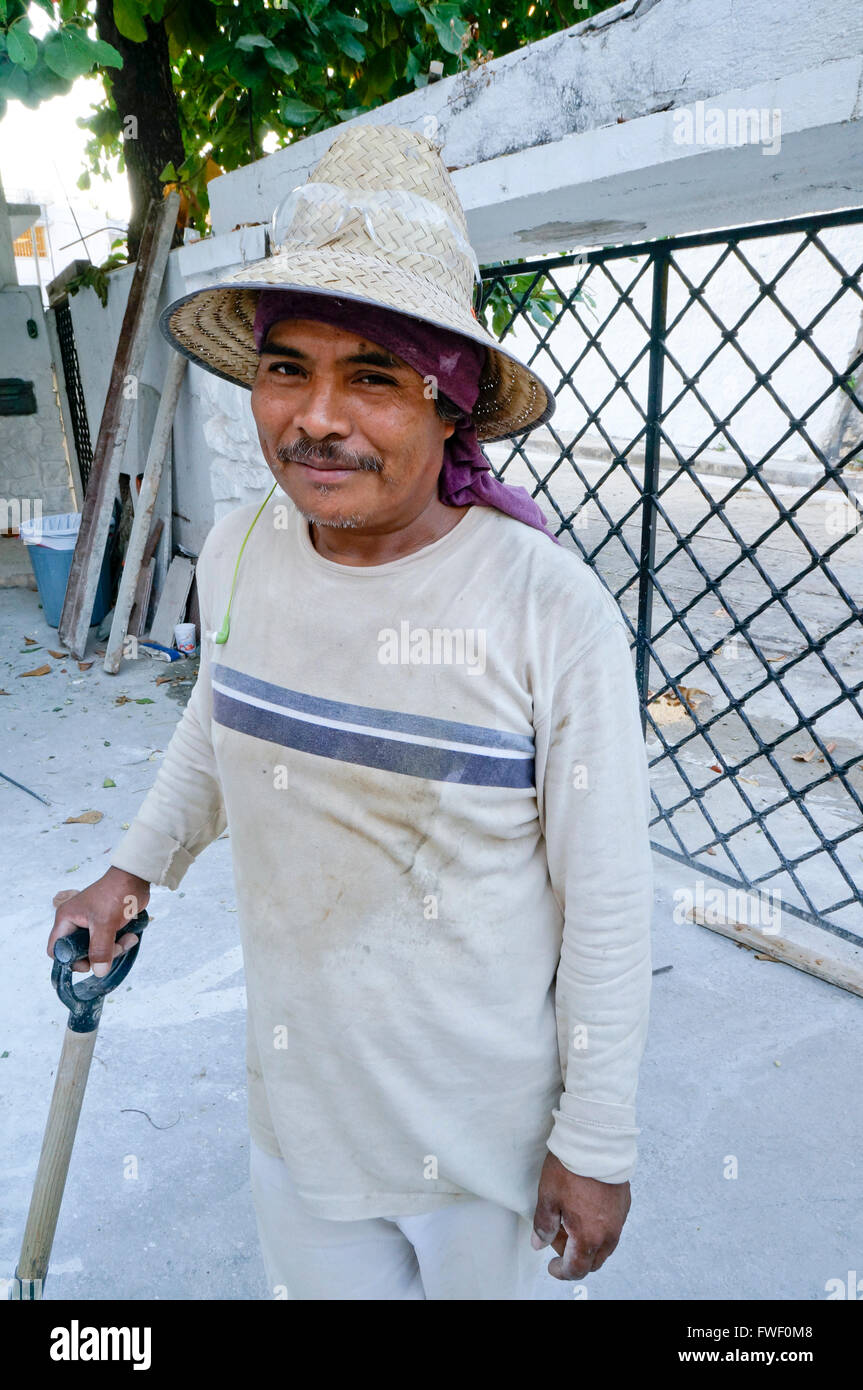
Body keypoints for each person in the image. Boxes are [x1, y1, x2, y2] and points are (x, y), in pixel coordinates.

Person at [48, 124, 653, 1301]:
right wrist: (131, 870)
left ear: (450, 409)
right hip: (299, 1117)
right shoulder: (242, 549)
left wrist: (600, 1138)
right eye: (289, 367)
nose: (315, 418)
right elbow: (218, 731)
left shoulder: (545, 608)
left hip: (485, 1148)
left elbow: (608, 902)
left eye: (372, 376)